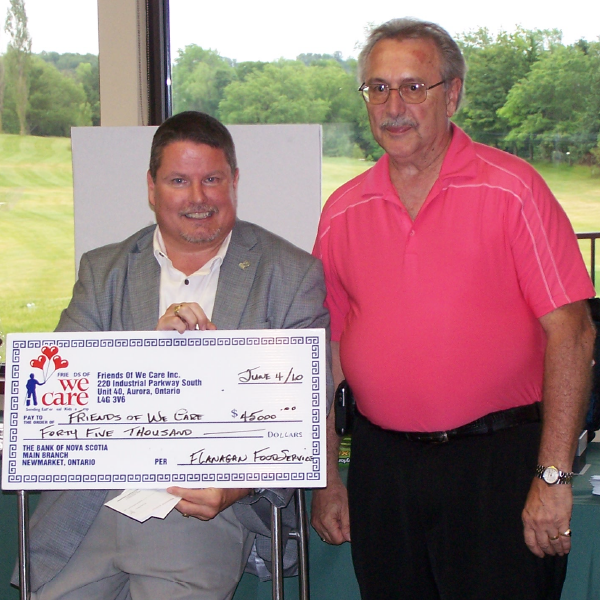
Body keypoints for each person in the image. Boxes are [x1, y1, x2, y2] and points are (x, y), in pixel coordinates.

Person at [311, 17, 596, 600]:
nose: (395, 105)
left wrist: (552, 476)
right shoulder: (342, 211)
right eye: (378, 88)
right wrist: (325, 480)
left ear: (454, 93)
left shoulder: (513, 191)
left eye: (415, 87)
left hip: (498, 466)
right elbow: (328, 353)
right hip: (382, 470)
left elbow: (574, 333)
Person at [17, 111, 331, 600]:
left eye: (212, 179)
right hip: (90, 505)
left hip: (202, 509)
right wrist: (148, 353)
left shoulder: (290, 275)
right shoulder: (104, 271)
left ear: (234, 181)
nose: (197, 197)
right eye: (179, 180)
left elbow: (303, 414)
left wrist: (231, 488)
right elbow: (58, 395)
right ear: (152, 187)